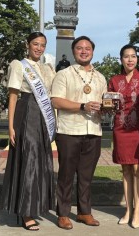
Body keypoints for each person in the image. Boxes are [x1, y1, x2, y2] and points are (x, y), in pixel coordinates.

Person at [1, 32, 56, 231]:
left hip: (41, 116)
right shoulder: (18, 64)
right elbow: (13, 96)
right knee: (28, 160)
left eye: (42, 45)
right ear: (27, 45)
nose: (39, 48)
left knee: (42, 161)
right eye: (35, 44)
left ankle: (36, 205)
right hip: (26, 113)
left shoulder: (46, 68)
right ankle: (25, 212)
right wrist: (10, 126)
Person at [51, 36, 107, 230]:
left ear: (93, 51)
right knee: (66, 174)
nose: (84, 51)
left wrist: (107, 109)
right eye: (80, 48)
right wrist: (82, 105)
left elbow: (104, 102)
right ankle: (64, 213)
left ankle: (84, 212)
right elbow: (56, 101)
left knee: (86, 176)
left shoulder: (100, 77)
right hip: (69, 130)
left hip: (94, 130)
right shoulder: (64, 74)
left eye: (88, 48)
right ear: (74, 51)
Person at [108, 44, 139, 229]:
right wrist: (106, 105)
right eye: (126, 56)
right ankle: (127, 209)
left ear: (137, 59)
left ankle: (137, 211)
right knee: (125, 170)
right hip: (120, 127)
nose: (130, 59)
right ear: (121, 59)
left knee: (138, 169)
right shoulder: (114, 80)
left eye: (133, 56)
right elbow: (109, 103)